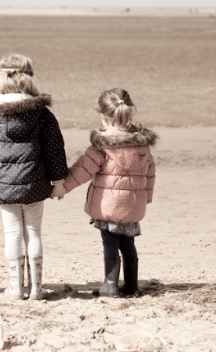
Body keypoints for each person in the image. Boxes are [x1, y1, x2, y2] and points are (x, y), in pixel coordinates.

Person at [0, 54, 68, 300]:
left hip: (4, 185)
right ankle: (36, 288)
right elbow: (55, 150)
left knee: (12, 233)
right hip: (36, 184)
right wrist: (59, 182)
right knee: (33, 232)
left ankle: (16, 288)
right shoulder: (42, 113)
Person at [51, 88, 156, 297]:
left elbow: (82, 170)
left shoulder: (101, 145)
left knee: (110, 242)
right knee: (128, 242)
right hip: (134, 204)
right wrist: (147, 198)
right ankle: (131, 285)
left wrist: (62, 187)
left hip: (109, 205)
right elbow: (150, 173)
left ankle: (110, 285)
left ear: (103, 115)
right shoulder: (141, 143)